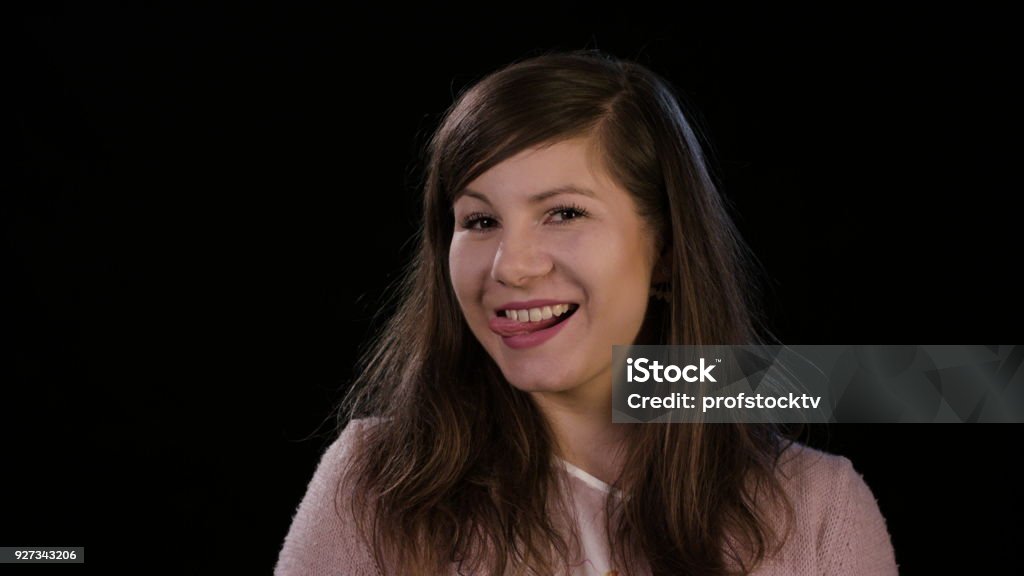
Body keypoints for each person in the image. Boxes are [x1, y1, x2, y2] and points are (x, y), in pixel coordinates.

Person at [275, 49, 898, 576]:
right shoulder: (374, 483)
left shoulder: (819, 507)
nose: (510, 267)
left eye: (565, 212)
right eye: (480, 221)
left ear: (667, 253)